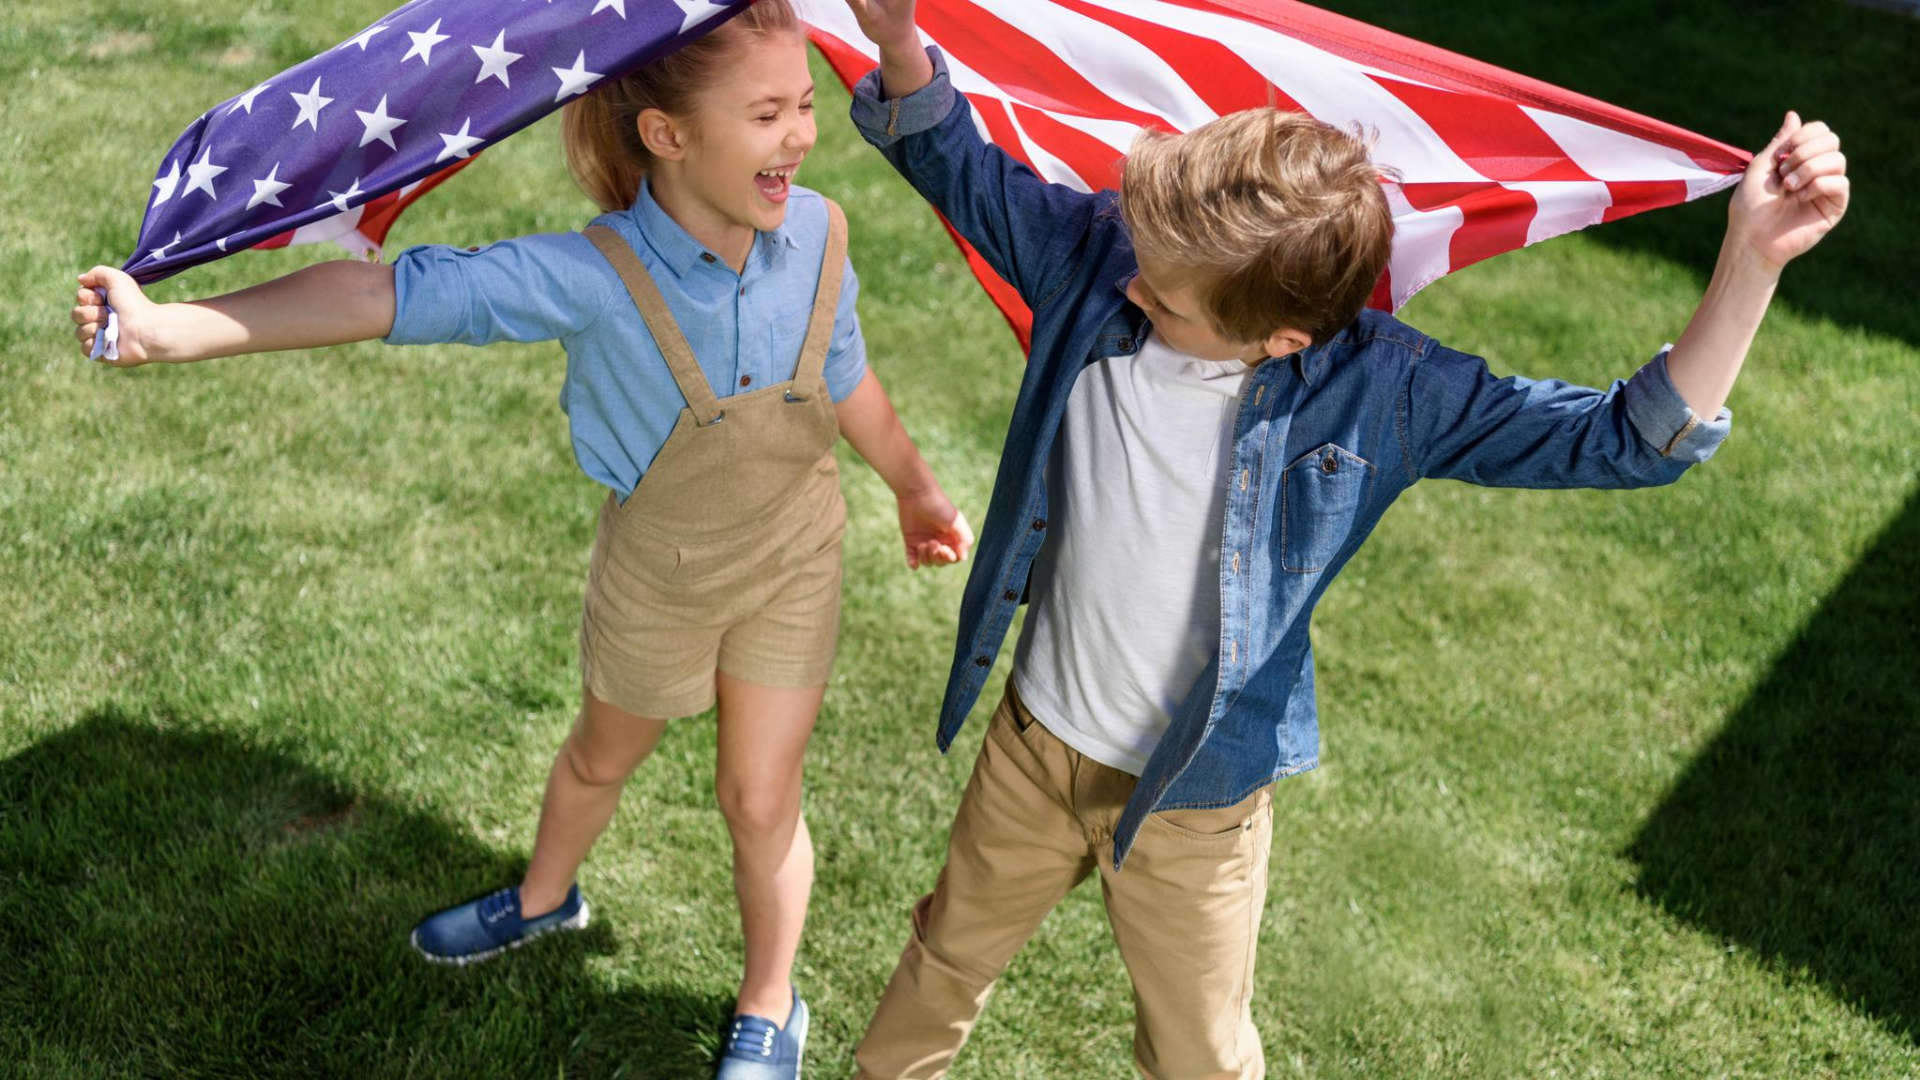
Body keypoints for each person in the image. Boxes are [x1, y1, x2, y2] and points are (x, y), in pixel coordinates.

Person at [836, 1, 1849, 1076]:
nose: (1125, 284)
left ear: (1279, 337)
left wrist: (1753, 258)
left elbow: (1619, 441)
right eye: (1133, 253)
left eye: (1164, 296)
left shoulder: (1383, 393)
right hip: (1034, 748)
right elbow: (946, 152)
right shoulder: (1098, 263)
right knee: (944, 957)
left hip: (1196, 806)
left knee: (1201, 1057)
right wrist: (900, 37)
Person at [70, 4, 973, 1076]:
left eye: (806, 107)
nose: (801, 137)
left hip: (794, 563)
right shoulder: (591, 276)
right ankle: (546, 899)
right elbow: (382, 294)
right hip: (659, 581)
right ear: (668, 137)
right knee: (599, 757)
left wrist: (914, 489)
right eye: (769, 113)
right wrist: (169, 331)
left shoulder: (819, 230)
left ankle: (770, 1002)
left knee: (762, 797)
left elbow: (844, 375)